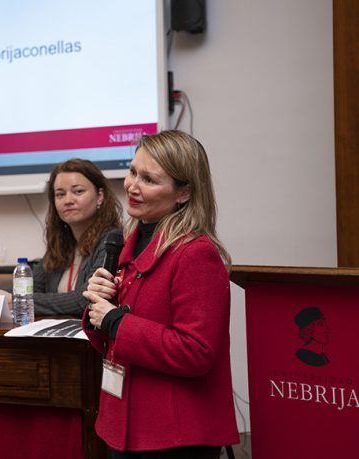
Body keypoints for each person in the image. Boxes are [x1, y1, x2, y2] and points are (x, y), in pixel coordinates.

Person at [82, 130, 239, 458]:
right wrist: (98, 311)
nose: (132, 186)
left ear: (183, 193)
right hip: (124, 423)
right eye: (133, 171)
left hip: (173, 437)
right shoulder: (129, 241)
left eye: (149, 179)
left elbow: (196, 351)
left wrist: (115, 322)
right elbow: (114, 343)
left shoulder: (195, 254)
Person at [0, 159, 122, 316]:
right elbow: (32, 286)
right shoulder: (62, 243)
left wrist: (16, 300)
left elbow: (85, 300)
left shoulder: (111, 241)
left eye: (78, 191)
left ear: (100, 196)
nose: (68, 200)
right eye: (60, 194)